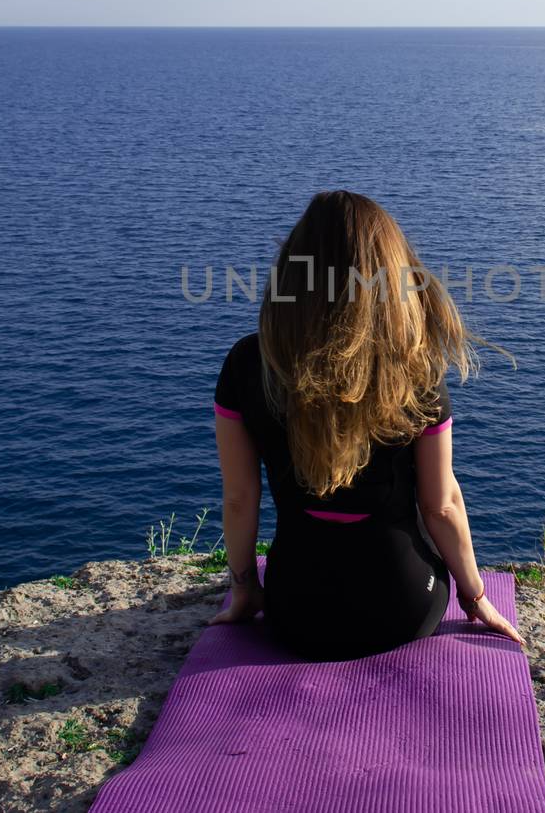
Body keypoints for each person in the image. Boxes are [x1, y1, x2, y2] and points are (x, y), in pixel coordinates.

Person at [207, 190, 523, 660]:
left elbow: (239, 498)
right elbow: (441, 506)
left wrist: (246, 588)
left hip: (296, 610)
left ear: (292, 270)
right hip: (404, 607)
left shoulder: (248, 363)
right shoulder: (413, 369)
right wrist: (475, 596)